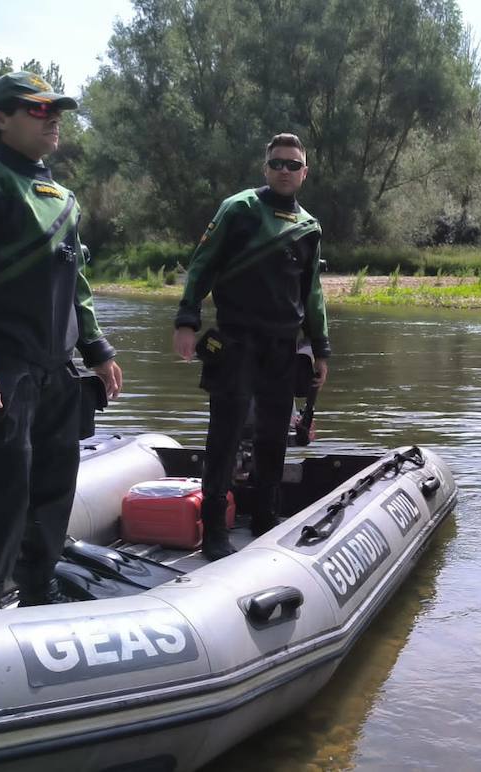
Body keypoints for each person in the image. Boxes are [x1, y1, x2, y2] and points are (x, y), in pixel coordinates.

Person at [0, 71, 122, 610]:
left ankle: (39, 587)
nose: (52, 118)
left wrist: (97, 349)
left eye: (55, 109)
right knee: (3, 494)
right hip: (0, 368)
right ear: (0, 119)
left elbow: (75, 280)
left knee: (54, 490)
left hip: (57, 372)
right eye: (37, 110)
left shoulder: (62, 196)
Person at [173, 133, 330, 560]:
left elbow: (312, 292)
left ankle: (265, 516)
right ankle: (215, 528)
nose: (284, 171)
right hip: (236, 340)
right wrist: (187, 321)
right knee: (224, 434)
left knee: (274, 435)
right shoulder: (239, 209)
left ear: (304, 173)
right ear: (266, 168)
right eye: (277, 163)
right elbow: (202, 266)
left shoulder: (309, 227)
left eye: (292, 165)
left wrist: (321, 348)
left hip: (283, 346)